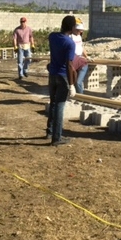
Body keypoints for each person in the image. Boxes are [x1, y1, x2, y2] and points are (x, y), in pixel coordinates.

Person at [46, 15, 77, 146]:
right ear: (72, 27)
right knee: (59, 106)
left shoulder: (52, 36)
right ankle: (56, 138)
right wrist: (71, 85)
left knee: (53, 103)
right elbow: (69, 65)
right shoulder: (70, 43)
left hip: (52, 75)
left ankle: (49, 131)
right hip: (63, 76)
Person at [72, 19, 90, 93]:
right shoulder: (71, 37)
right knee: (74, 81)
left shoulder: (79, 37)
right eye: (79, 30)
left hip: (81, 61)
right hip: (74, 59)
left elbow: (81, 48)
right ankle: (77, 96)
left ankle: (81, 97)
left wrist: (87, 56)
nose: (81, 32)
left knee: (78, 82)